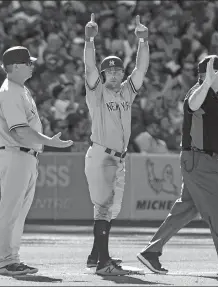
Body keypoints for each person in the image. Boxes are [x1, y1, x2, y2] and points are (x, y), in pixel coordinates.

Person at [137, 55, 218, 277]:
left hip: (201, 161)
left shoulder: (212, 94)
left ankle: (151, 252)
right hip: (200, 160)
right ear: (210, 74)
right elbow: (192, 103)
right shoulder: (198, 93)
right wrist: (206, 81)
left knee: (185, 209)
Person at [0, 46, 73, 276]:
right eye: (28, 63)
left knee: (19, 212)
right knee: (11, 211)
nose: (32, 65)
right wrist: (51, 141)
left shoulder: (20, 89)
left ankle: (12, 259)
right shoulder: (9, 91)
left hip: (25, 155)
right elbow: (20, 131)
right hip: (16, 152)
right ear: (16, 66)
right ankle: (6, 261)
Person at [84, 13, 149, 275]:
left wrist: (143, 42)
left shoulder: (126, 91)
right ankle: (103, 263)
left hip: (118, 156)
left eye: (117, 70)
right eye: (108, 71)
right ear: (103, 75)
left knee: (112, 208)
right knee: (104, 207)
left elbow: (141, 69)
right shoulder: (97, 92)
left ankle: (95, 255)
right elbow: (89, 68)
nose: (113, 74)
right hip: (101, 154)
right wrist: (89, 40)